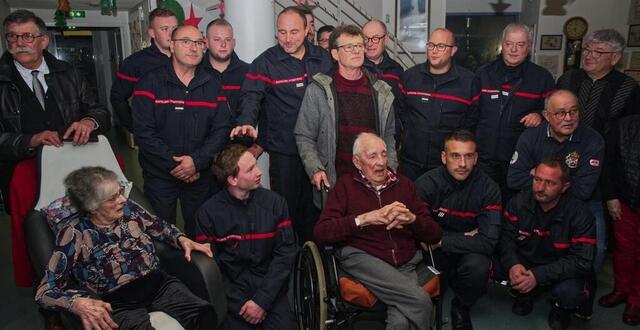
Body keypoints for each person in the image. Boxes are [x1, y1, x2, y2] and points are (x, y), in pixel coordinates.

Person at [0, 9, 111, 287]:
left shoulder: (70, 73)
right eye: (12, 37)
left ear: (44, 40)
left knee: (83, 225)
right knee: (40, 235)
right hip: (26, 172)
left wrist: (89, 120)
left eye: (27, 35)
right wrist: (30, 140)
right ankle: (49, 292)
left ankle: (93, 278)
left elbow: (100, 110)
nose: (20, 42)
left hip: (73, 165)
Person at [35, 167, 216, 330]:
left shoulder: (129, 210)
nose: (123, 199)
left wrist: (181, 238)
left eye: (120, 191)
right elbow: (45, 292)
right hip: (118, 303)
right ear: (92, 206)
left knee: (205, 316)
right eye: (113, 197)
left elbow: (158, 226)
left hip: (159, 285)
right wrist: (75, 303)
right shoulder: (73, 234)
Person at [315, 133, 443, 330]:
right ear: (357, 162)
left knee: (400, 322)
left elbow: (435, 235)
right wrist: (364, 219)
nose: (381, 162)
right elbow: (322, 233)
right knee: (420, 301)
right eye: (372, 156)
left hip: (404, 261)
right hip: (363, 257)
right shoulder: (345, 187)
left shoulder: (405, 186)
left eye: (384, 155)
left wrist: (413, 220)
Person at [231, 6, 332, 244]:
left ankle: (315, 258)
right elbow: (251, 97)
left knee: (319, 209)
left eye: (294, 31)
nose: (287, 39)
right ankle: (289, 258)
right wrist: (246, 122)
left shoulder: (323, 58)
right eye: (282, 32)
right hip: (285, 152)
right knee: (287, 210)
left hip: (321, 151)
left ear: (308, 29)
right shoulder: (265, 62)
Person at [507, 90, 604, 320]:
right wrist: (550, 184)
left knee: (596, 252)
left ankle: (577, 296)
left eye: (573, 111)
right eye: (560, 113)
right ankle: (530, 286)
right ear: (546, 115)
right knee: (528, 243)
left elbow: (581, 190)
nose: (568, 118)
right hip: (538, 202)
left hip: (581, 206)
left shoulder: (593, 140)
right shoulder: (530, 137)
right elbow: (513, 179)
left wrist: (536, 176)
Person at [132, 25, 231, 238]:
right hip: (160, 175)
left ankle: (198, 272)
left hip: (200, 175)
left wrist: (196, 162)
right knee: (160, 234)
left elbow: (221, 129)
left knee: (201, 233)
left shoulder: (213, 84)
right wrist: (176, 164)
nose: (193, 48)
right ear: (171, 45)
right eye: (186, 41)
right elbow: (143, 132)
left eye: (198, 43)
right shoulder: (150, 82)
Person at [295, 24, 397, 211]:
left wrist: (390, 167)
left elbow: (389, 136)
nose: (356, 51)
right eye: (348, 47)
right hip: (335, 182)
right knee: (337, 234)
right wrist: (315, 168)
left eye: (359, 45)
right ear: (335, 54)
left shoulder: (381, 91)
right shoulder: (318, 91)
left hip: (372, 181)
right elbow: (304, 135)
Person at [195, 144, 297, 329]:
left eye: (256, 165)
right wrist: (241, 304)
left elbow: (285, 254)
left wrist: (262, 301)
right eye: (250, 169)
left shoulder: (276, 204)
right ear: (232, 180)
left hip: (270, 288)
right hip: (233, 294)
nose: (259, 172)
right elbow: (213, 267)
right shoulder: (207, 214)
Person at [414, 130, 501, 330]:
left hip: (461, 252)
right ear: (444, 157)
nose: (462, 164)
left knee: (479, 267)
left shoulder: (489, 189)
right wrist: (464, 236)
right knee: (422, 291)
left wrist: (442, 239)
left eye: (468, 156)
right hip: (434, 252)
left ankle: (461, 306)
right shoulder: (426, 184)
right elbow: (420, 233)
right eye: (455, 156)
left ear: (476, 158)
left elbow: (488, 242)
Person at [498, 159, 595, 330]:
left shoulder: (580, 214)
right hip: (527, 261)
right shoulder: (518, 202)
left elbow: (582, 261)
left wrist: (538, 276)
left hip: (561, 269)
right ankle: (526, 292)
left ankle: (561, 309)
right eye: (537, 179)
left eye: (550, 183)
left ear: (564, 187)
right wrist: (513, 264)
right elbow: (506, 238)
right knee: (487, 263)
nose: (540, 188)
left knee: (570, 293)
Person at [471, 23, 555, 200]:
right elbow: (471, 114)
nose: (514, 49)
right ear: (502, 43)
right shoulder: (483, 74)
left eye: (520, 44)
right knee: (485, 202)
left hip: (521, 160)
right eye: (509, 44)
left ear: (529, 46)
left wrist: (540, 114)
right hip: (484, 158)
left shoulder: (542, 77)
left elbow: (556, 115)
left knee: (516, 208)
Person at [398, 28, 476, 180]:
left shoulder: (469, 82)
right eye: (431, 45)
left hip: (448, 169)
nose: (434, 51)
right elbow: (400, 115)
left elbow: (473, 121)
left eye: (441, 46)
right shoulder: (410, 77)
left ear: (453, 50)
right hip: (411, 165)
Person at [557, 29, 640, 135]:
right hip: (565, 146)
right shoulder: (567, 78)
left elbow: (633, 132)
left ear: (615, 58)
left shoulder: (628, 88)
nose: (588, 56)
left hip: (608, 149)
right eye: (587, 49)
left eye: (598, 52)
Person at [600, 115, 640, 326]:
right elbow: (608, 163)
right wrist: (611, 196)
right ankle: (621, 290)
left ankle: (636, 300)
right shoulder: (623, 124)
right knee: (624, 248)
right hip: (623, 198)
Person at [110, 8, 178, 132]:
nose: (171, 34)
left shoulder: (189, 57)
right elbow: (117, 96)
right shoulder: (135, 62)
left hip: (187, 133)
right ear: (152, 33)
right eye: (164, 29)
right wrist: (134, 127)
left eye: (174, 28)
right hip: (154, 135)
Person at [202, 18, 249, 120]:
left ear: (234, 43)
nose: (223, 44)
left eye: (227, 40)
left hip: (239, 134)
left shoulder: (248, 73)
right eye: (217, 39)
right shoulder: (195, 72)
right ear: (206, 43)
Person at [362, 19, 404, 102]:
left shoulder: (396, 70)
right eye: (365, 38)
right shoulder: (354, 68)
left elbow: (401, 105)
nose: (369, 44)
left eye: (375, 38)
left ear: (386, 40)